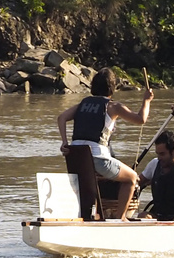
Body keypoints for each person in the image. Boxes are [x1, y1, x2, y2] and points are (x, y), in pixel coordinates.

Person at [55, 70, 154, 220]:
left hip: (76, 157)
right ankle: (121, 219)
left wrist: (64, 142)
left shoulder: (82, 104)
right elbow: (141, 119)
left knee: (88, 186)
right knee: (132, 178)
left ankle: (91, 215)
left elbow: (61, 118)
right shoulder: (113, 106)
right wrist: (146, 101)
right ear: (112, 87)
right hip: (97, 158)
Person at [135, 124, 174, 221]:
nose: (159, 158)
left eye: (162, 154)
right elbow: (136, 183)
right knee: (143, 216)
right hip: (158, 214)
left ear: (173, 152)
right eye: (158, 154)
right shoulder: (154, 163)